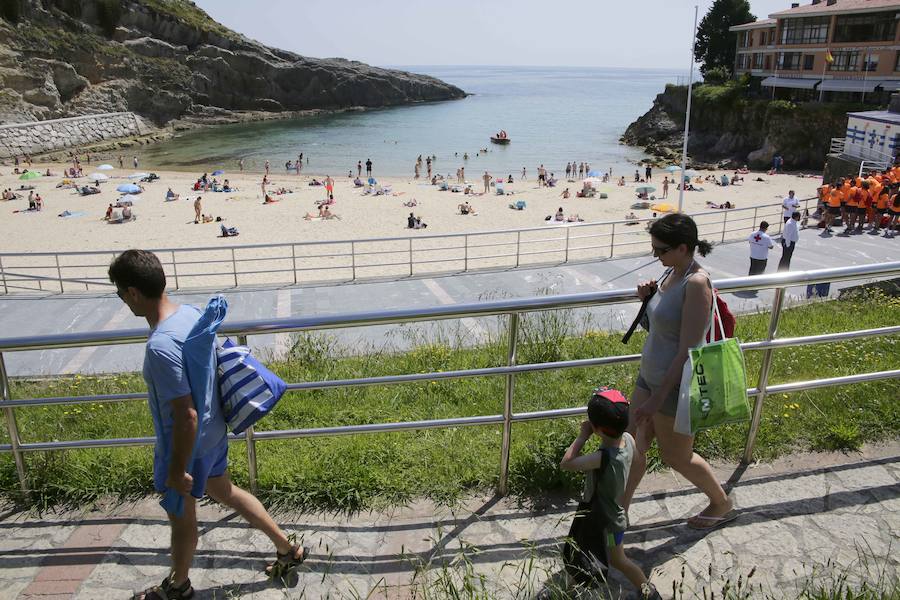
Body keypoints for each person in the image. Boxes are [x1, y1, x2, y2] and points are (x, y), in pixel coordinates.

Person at [110, 251, 305, 600]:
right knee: (226, 492)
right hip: (214, 435)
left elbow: (186, 416)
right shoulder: (190, 315)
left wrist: (176, 468)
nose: (123, 301)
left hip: (188, 448)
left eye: (121, 294)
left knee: (182, 519)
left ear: (134, 293)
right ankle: (287, 548)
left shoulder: (160, 346)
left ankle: (178, 586)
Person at [622, 214, 735, 531]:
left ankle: (721, 502)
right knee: (632, 446)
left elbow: (688, 349)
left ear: (683, 248)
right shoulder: (671, 272)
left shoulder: (697, 284)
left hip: (672, 388)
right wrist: (647, 298)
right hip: (649, 376)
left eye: (660, 250)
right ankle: (619, 514)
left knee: (677, 457)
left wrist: (658, 399)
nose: (656, 256)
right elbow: (659, 328)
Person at [560, 390, 660, 600]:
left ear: (597, 429)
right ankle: (566, 593)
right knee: (582, 552)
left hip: (604, 521)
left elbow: (566, 463)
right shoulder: (628, 440)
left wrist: (582, 436)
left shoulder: (603, 457)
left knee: (617, 559)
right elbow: (641, 451)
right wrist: (641, 429)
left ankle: (649, 592)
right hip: (611, 514)